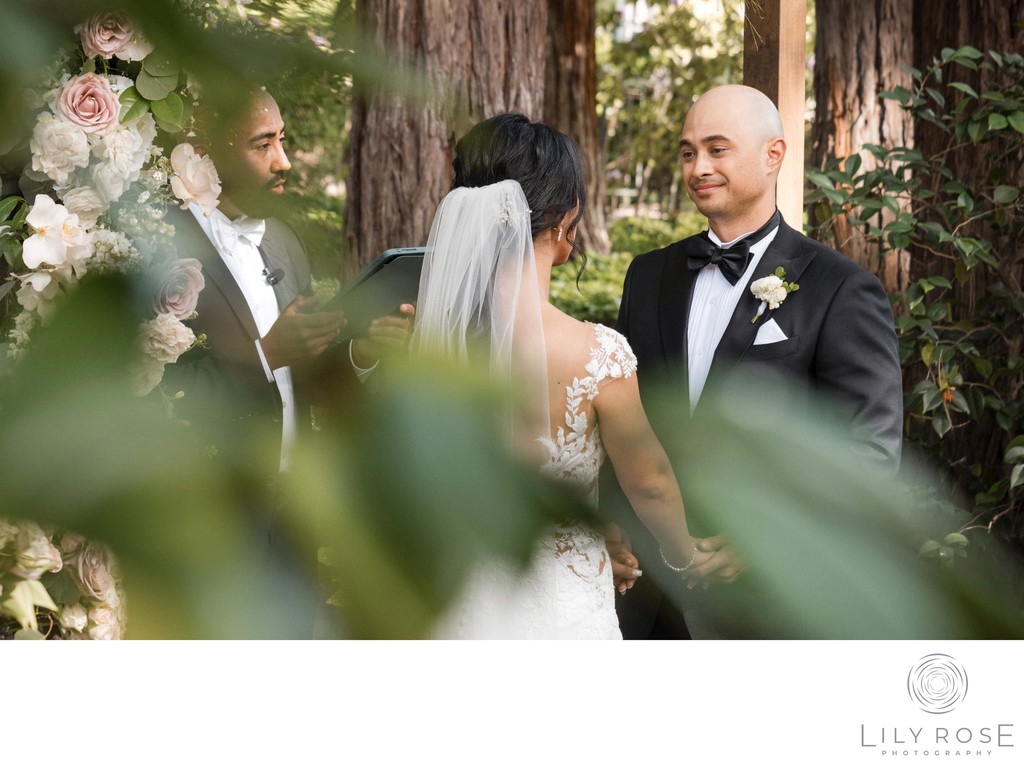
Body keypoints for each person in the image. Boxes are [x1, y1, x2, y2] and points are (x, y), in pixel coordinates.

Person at [610, 84, 904, 639]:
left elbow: (869, 450)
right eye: (688, 151)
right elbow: (620, 414)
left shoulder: (841, 288)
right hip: (646, 589)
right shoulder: (648, 275)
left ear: (774, 155)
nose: (698, 167)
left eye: (717, 149)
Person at [415, 113, 710, 639]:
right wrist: (686, 557)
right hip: (560, 607)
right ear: (562, 219)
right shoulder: (597, 355)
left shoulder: (431, 345)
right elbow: (651, 483)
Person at [161, 87, 412, 635]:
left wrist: (363, 352)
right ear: (206, 153)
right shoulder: (160, 247)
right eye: (264, 144)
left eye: (283, 140)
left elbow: (307, 373)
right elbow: (156, 391)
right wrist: (264, 354)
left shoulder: (284, 242)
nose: (285, 160)